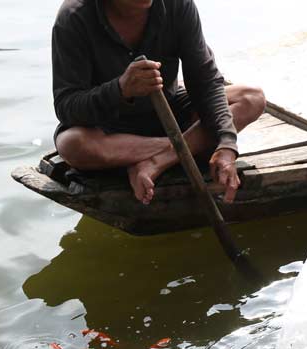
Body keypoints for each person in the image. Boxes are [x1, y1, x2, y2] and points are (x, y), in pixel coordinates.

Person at [51, 0, 266, 205]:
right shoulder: (74, 16)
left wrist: (227, 143)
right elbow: (66, 106)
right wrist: (120, 90)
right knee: (72, 144)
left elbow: (205, 82)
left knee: (251, 98)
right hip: (111, 129)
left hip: (170, 112)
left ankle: (159, 160)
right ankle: (187, 146)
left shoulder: (178, 5)